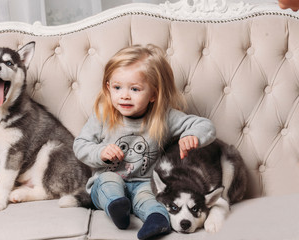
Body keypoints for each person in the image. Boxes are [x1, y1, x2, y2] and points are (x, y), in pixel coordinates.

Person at [73, 45, 216, 239]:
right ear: (108, 87)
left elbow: (205, 125)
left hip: (145, 182)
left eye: (135, 89)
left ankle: (156, 220)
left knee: (149, 200)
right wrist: (100, 152)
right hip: (109, 179)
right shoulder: (102, 115)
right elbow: (80, 145)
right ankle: (117, 207)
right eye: (117, 87)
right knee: (108, 182)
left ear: (153, 94)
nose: (124, 95)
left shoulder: (164, 117)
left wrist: (192, 136)